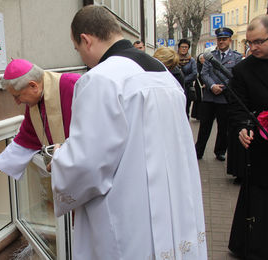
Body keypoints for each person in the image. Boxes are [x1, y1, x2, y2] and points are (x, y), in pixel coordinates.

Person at [49, 5, 207, 259]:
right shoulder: (163, 72)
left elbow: (87, 163)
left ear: (85, 40)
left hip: (130, 214)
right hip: (173, 204)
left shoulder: (100, 79)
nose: (80, 56)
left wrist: (59, 157)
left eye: (77, 49)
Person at [228, 14, 268, 259]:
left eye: (258, 42)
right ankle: (257, 246)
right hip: (262, 144)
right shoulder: (243, 69)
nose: (252, 48)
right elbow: (237, 106)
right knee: (261, 201)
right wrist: (242, 126)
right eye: (249, 43)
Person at [0, 59, 80, 180]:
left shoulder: (73, 85)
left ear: (33, 86)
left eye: (17, 96)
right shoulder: (34, 104)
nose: (17, 103)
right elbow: (26, 138)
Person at [195, 27, 242, 160]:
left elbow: (234, 75)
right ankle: (199, 150)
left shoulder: (236, 57)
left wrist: (223, 87)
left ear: (229, 40)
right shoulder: (210, 56)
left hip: (224, 97)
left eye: (224, 39)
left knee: (223, 127)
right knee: (205, 125)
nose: (221, 42)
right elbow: (204, 73)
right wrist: (212, 85)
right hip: (210, 97)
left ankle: (220, 151)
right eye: (219, 39)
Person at [178, 39, 197, 118]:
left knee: (186, 110)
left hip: (187, 87)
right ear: (179, 48)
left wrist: (183, 80)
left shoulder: (191, 60)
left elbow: (194, 73)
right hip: (176, 87)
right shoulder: (174, 58)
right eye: (182, 47)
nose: (184, 49)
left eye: (186, 47)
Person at [190, 53, 205, 120]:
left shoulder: (207, 66)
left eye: (203, 58)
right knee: (198, 100)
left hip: (205, 85)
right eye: (201, 59)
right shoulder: (197, 66)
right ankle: (197, 114)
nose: (202, 60)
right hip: (198, 85)